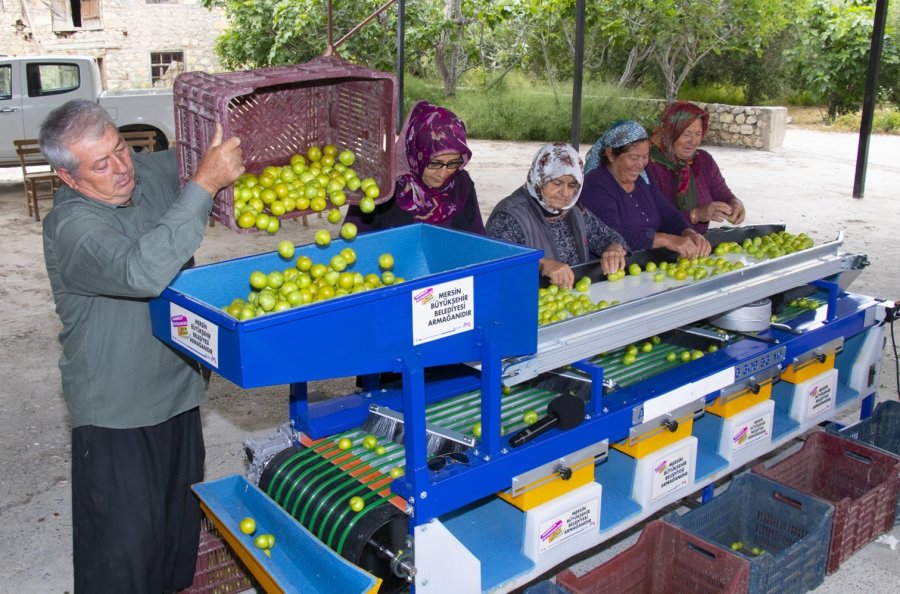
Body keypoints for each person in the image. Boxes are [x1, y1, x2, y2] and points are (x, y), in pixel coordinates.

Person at [40, 99, 244, 593]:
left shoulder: (143, 173)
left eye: (121, 149)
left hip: (177, 395)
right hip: (117, 417)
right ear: (69, 178)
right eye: (101, 164)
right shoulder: (72, 228)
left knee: (173, 546)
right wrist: (203, 185)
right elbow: (142, 271)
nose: (122, 168)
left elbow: (209, 151)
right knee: (122, 559)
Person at [486, 142, 628, 288]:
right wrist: (540, 264)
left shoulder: (575, 211)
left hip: (573, 299)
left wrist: (614, 249)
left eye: (572, 185)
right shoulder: (509, 215)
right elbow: (495, 261)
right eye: (557, 183)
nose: (565, 193)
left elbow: (610, 237)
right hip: (529, 302)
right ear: (539, 177)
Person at [343, 100, 485, 233]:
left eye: (453, 163)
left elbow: (478, 239)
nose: (443, 174)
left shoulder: (462, 184)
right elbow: (354, 241)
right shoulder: (381, 185)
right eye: (435, 163)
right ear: (415, 154)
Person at [581, 120, 711, 260]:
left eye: (645, 157)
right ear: (611, 154)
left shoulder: (643, 180)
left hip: (644, 266)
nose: (640, 164)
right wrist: (666, 239)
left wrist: (688, 232)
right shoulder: (595, 184)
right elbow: (610, 236)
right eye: (633, 157)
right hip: (611, 271)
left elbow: (668, 214)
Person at [646, 101, 746, 233]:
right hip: (659, 248)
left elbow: (724, 195)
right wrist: (696, 214)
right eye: (686, 134)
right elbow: (649, 220)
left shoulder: (703, 160)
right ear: (670, 133)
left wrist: (735, 203)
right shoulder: (648, 165)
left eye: (698, 134)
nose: (693, 141)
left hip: (699, 246)